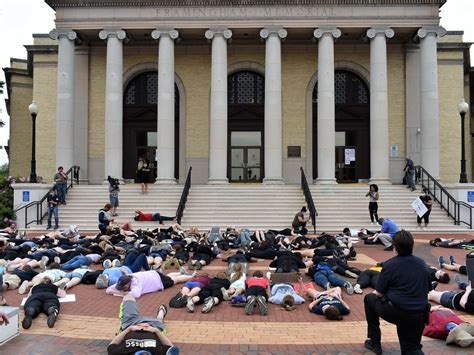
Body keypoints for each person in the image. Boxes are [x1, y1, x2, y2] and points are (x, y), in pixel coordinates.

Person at [364, 230, 431, 355]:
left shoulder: (390, 265)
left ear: (395, 247)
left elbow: (379, 293)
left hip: (398, 311)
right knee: (411, 347)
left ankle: (375, 343)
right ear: (411, 246)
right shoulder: (422, 264)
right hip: (419, 314)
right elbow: (427, 290)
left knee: (369, 299)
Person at [107, 295, 179, 354]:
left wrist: (129, 329)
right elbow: (171, 348)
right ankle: (161, 312)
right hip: (153, 326)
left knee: (128, 297)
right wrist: (156, 331)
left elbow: (111, 345)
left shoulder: (123, 352)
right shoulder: (157, 351)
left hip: (131, 323)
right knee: (159, 321)